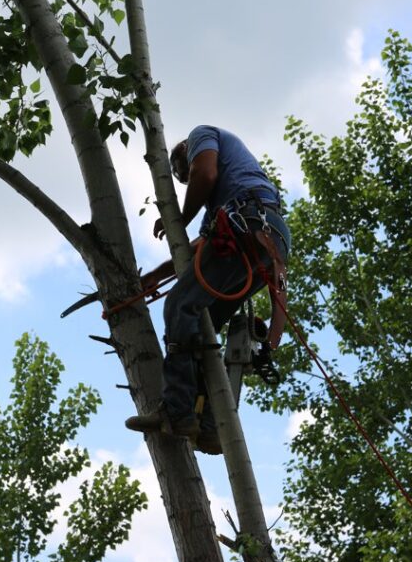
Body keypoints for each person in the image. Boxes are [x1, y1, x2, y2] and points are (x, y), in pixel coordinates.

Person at [125, 125, 291, 455]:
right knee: (203, 324)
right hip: (266, 240)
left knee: (179, 307)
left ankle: (178, 410)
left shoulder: (203, 134)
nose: (183, 177)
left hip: (247, 226)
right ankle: (212, 425)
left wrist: (180, 218)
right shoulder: (219, 208)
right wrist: (157, 275)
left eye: (180, 170)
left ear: (186, 148)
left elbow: (205, 173)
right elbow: (202, 249)